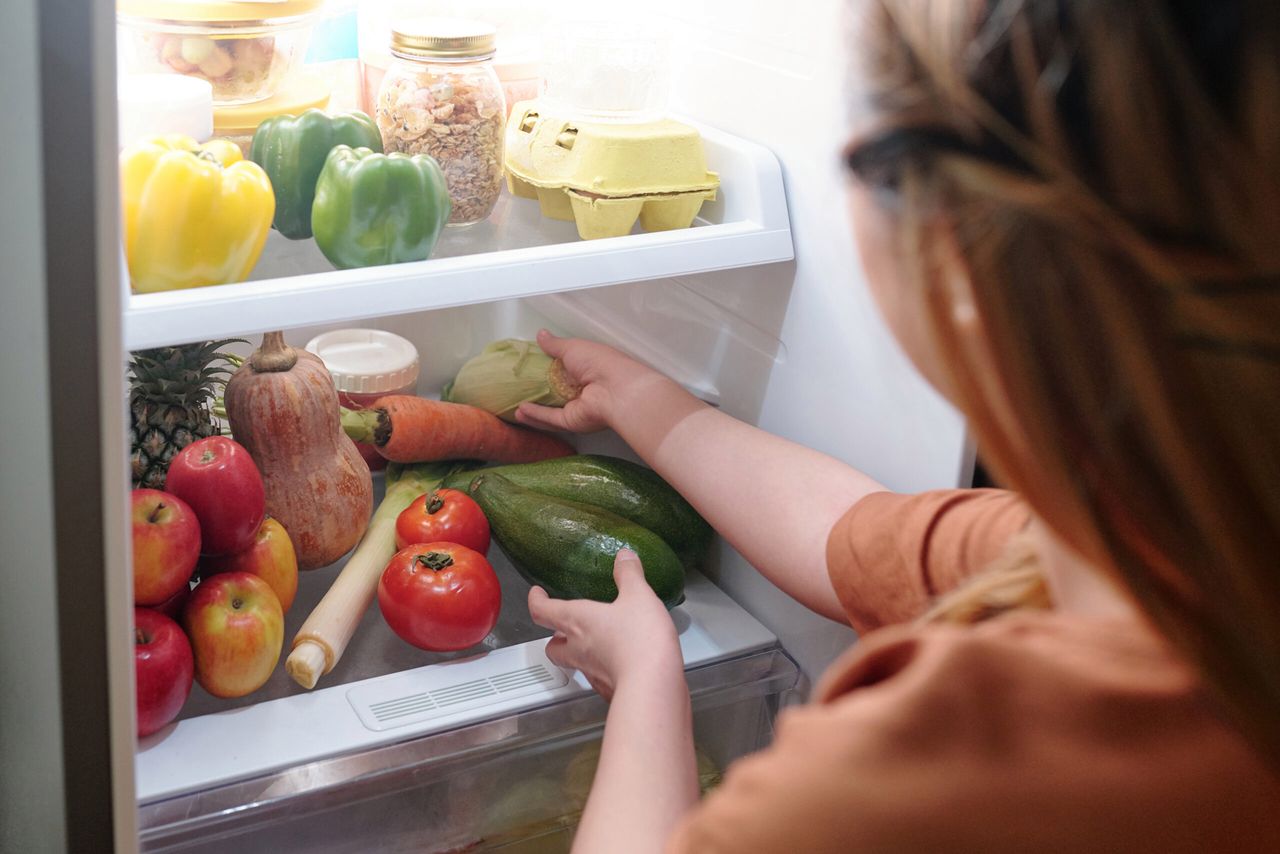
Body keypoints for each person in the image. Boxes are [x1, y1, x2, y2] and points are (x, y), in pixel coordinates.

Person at [513, 1, 1280, 851]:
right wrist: (645, 400)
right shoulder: (1157, 545)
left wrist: (649, 677)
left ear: (957, 247)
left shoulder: (925, 782)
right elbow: (850, 536)